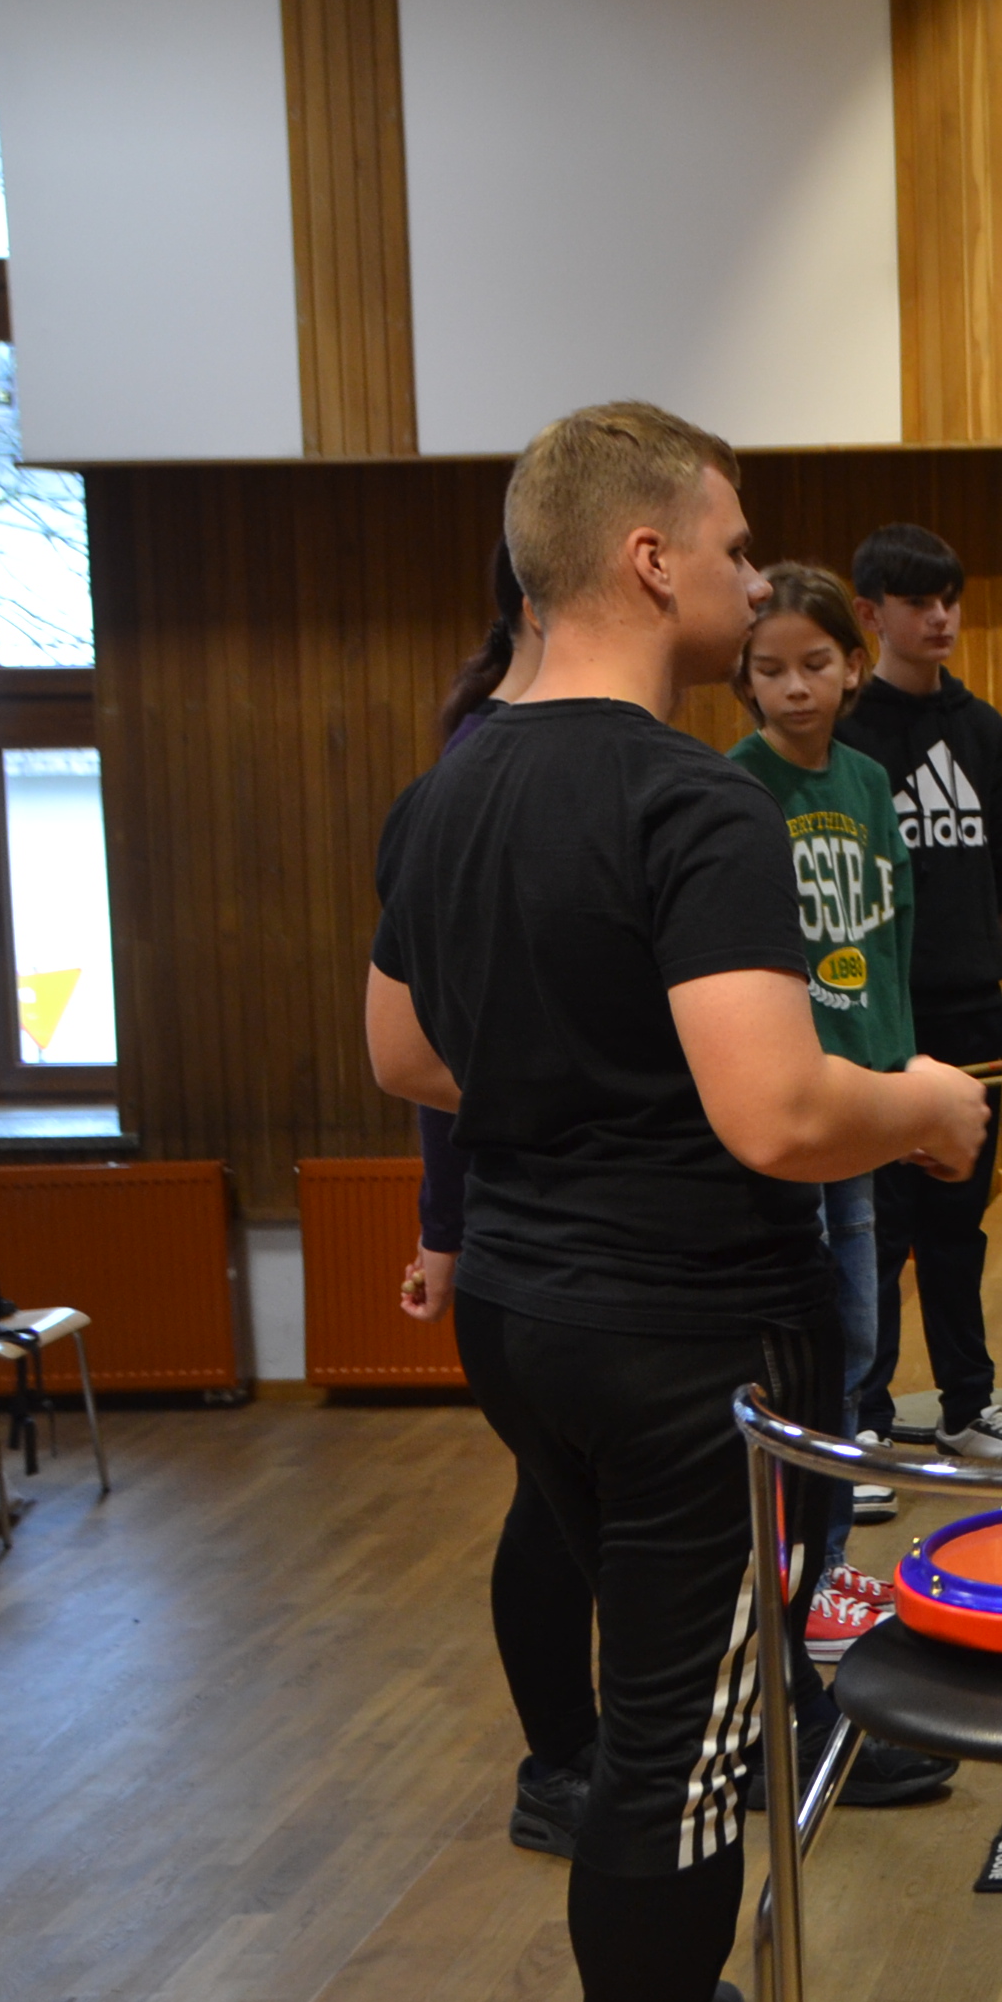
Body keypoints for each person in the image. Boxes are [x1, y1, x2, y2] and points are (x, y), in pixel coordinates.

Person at [367, 402, 989, 2002]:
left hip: (521, 1318)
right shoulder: (695, 801)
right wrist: (928, 1103)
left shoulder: (443, 792)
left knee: (652, 1709)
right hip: (687, 1344)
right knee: (681, 1751)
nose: (752, 578)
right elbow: (779, 1112)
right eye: (732, 548)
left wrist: (582, 1075)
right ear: (649, 561)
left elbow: (404, 1051)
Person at [397, 542, 598, 1860]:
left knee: (577, 1501)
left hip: (561, 1226)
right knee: (557, 1503)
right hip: (538, 1230)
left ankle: (608, 1758)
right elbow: (424, 1052)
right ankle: (564, 1761)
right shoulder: (473, 778)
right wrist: (445, 1228)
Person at [727, 564, 922, 1659]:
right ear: (745, 678)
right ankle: (791, 1569)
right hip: (787, 1099)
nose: (795, 688)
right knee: (798, 1346)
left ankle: (833, 1564)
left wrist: (898, 1074)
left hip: (860, 1098)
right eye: (771, 669)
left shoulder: (868, 781)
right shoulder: (735, 784)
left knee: (856, 1331)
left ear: (853, 666)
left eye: (814, 664)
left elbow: (891, 932)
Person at [838, 523, 1002, 1472]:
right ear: (870, 614)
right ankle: (865, 1418)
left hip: (974, 1009)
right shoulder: (847, 732)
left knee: (956, 1226)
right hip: (886, 1022)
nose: (940, 617)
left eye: (949, 600)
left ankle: (968, 1406)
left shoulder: (982, 727)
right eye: (918, 602)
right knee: (881, 1230)